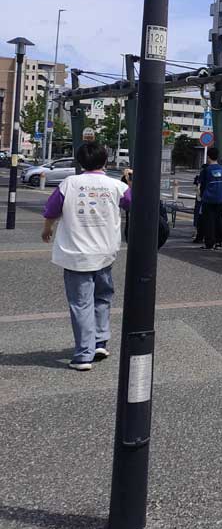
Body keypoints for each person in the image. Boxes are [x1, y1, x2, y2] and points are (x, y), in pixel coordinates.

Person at [41, 142, 130, 371]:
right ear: (105, 161)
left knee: (81, 304)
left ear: (80, 162)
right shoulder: (115, 186)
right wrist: (130, 182)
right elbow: (136, 203)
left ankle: (83, 354)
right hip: (105, 253)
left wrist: (47, 229)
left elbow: (51, 211)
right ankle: (100, 341)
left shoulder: (69, 183)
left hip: (76, 254)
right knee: (102, 297)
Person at [197, 147, 222, 249]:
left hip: (208, 199)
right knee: (220, 220)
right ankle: (220, 242)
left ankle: (209, 243)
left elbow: (200, 186)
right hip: (220, 199)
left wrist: (200, 197)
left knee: (209, 221)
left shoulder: (206, 170)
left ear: (208, 157)